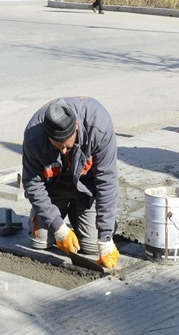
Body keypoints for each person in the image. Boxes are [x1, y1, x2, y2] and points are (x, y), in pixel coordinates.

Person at [22, 97, 120, 269]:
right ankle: (58, 217)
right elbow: (32, 184)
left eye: (67, 146)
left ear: (75, 127)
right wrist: (59, 228)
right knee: (40, 242)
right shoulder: (34, 137)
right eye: (58, 147)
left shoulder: (99, 126)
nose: (64, 150)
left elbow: (107, 182)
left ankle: (81, 213)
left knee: (91, 247)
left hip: (86, 189)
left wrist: (106, 237)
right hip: (54, 189)